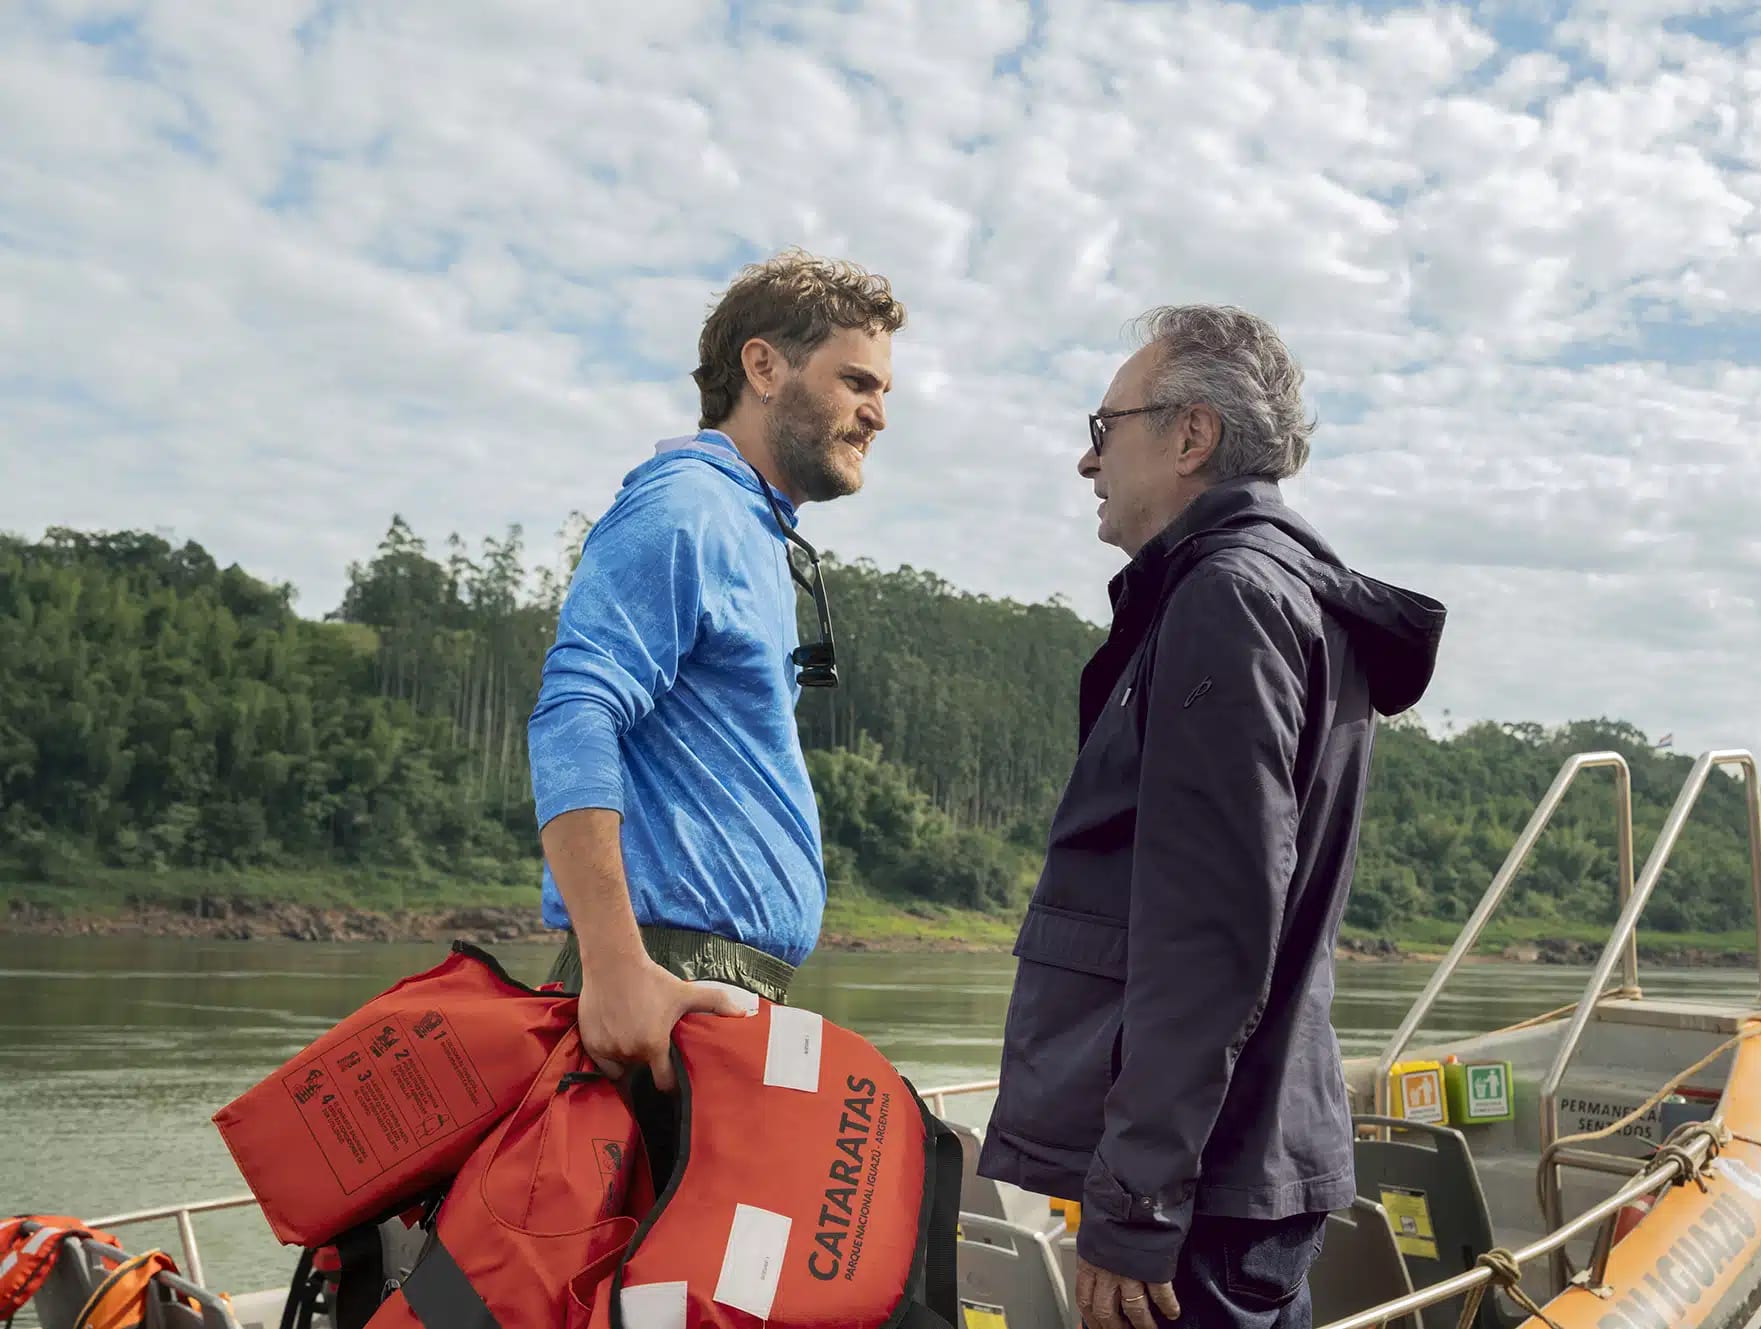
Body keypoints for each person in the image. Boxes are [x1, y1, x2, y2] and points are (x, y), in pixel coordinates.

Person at [976, 305, 1447, 1329]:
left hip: (1207, 1193)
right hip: (1242, 1165)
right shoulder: (1275, 591)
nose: (1085, 461)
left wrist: (1140, 1202)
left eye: (1105, 428)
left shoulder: (1227, 598)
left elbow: (1210, 935)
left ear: (1190, 435)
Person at [526, 249, 903, 1091]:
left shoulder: (753, 528)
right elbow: (574, 714)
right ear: (763, 366)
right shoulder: (687, 506)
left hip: (713, 982)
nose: (878, 414)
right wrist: (617, 966)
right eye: (857, 383)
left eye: (883, 391)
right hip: (659, 981)